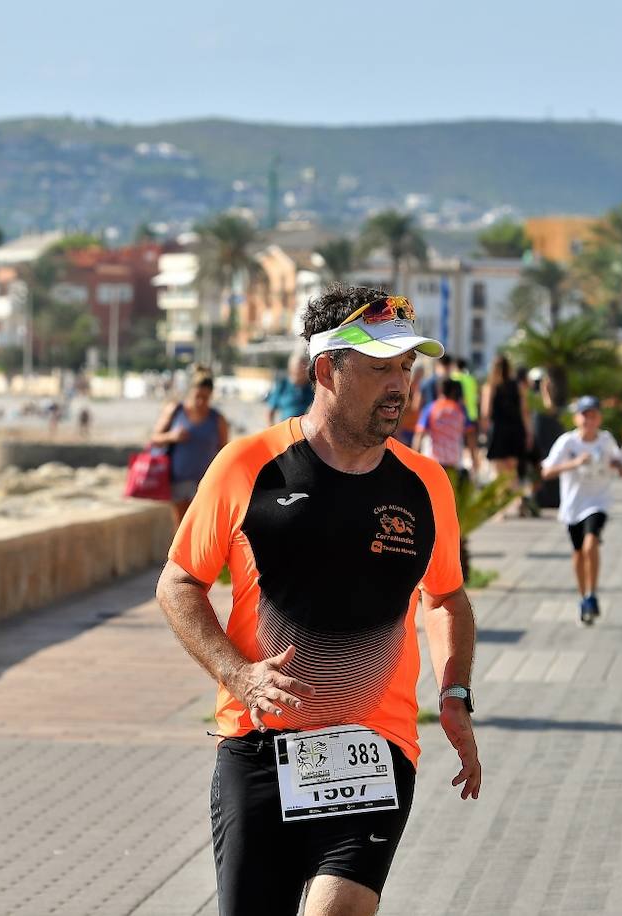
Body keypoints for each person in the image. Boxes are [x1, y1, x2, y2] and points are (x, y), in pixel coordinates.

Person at [156, 285, 481, 915]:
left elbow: (446, 600)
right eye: (381, 368)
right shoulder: (248, 466)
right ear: (327, 369)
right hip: (260, 741)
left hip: (376, 746)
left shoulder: (425, 483)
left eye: (406, 369)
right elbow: (178, 583)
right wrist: (237, 674)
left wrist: (455, 692)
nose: (400, 385)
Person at [541, 395, 622, 625]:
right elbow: (546, 472)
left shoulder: (606, 440)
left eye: (593, 415)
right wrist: (575, 463)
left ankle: (592, 592)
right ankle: (584, 598)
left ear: (599, 418)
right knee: (578, 552)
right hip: (572, 505)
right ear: (576, 418)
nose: (589, 420)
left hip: (598, 502)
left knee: (591, 544)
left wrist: (618, 466)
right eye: (584, 415)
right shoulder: (568, 443)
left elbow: (621, 464)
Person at [151, 370, 230, 525]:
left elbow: (225, 452)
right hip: (178, 479)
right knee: (181, 527)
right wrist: (172, 436)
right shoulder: (175, 411)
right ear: (189, 393)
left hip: (206, 482)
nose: (201, 402)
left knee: (201, 526)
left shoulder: (217, 419)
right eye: (197, 397)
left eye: (205, 398)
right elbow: (154, 439)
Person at [481, 354, 530, 491]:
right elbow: (524, 411)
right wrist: (528, 433)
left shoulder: (490, 387)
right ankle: (516, 500)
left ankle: (502, 503)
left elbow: (486, 412)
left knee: (498, 471)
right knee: (512, 469)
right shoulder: (517, 386)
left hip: (498, 430)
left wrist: (484, 431)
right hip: (515, 430)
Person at [415, 377, 468, 495]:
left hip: (434, 461)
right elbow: (470, 434)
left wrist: (413, 458)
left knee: (432, 496)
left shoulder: (431, 408)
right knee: (450, 498)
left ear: (441, 391)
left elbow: (419, 434)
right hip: (453, 461)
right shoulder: (460, 410)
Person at [265, 350, 314, 425]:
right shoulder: (283, 385)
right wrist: (272, 429)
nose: (301, 370)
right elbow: (270, 411)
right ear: (291, 368)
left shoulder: (313, 388)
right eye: (298, 367)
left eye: (304, 366)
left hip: (307, 430)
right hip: (286, 430)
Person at [452, 358, 482, 477]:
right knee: (472, 446)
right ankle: (476, 471)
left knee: (457, 443)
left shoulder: (454, 378)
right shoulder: (471, 379)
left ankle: (460, 471)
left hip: (458, 415)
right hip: (472, 415)